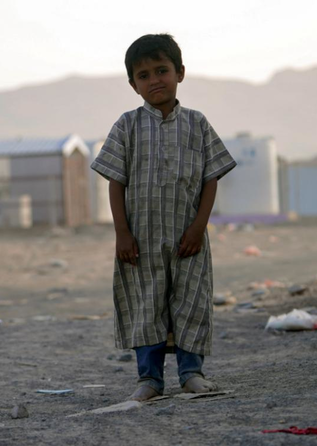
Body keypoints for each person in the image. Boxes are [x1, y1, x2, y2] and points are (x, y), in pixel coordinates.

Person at [91, 34, 237, 401]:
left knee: (191, 301)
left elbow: (210, 179)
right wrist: (122, 234)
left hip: (188, 237)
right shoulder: (127, 125)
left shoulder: (197, 123)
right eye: (143, 75)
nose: (154, 80)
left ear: (180, 73)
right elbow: (115, 182)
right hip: (140, 240)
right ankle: (149, 380)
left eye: (162, 70)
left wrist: (199, 227)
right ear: (132, 84)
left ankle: (191, 373)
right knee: (145, 303)